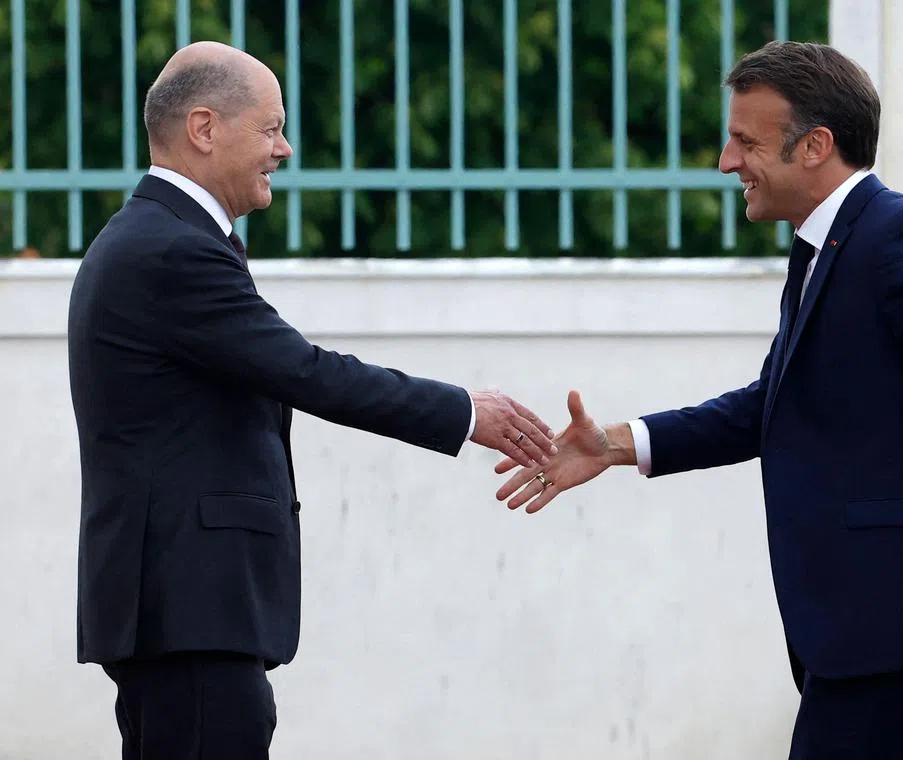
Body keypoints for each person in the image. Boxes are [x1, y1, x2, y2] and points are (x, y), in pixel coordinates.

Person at [495, 41, 903, 759]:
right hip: (871, 616)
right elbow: (773, 405)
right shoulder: (829, 245)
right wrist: (617, 445)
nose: (727, 162)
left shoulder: (899, 241)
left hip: (897, 609)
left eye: (746, 142)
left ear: (815, 146)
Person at [68, 41, 558, 759]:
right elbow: (304, 370)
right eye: (270, 129)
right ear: (204, 129)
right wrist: (463, 413)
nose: (285, 149)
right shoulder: (170, 249)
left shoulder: (160, 239)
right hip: (191, 611)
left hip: (184, 613)